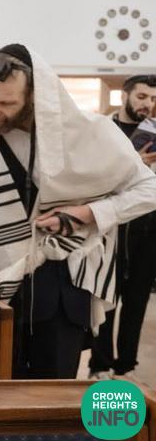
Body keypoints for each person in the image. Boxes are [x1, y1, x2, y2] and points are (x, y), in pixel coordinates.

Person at [0, 44, 156, 379]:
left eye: (6, 103)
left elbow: (149, 188)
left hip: (62, 291)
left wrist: (90, 212)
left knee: (52, 396)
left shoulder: (89, 132)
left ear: (36, 98)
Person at [89, 74, 156, 380]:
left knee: (137, 300)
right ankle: (100, 364)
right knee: (105, 296)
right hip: (109, 230)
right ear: (124, 96)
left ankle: (126, 366)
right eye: (142, 97)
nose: (148, 104)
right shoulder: (102, 130)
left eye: (153, 99)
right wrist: (133, 163)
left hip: (147, 230)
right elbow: (91, 176)